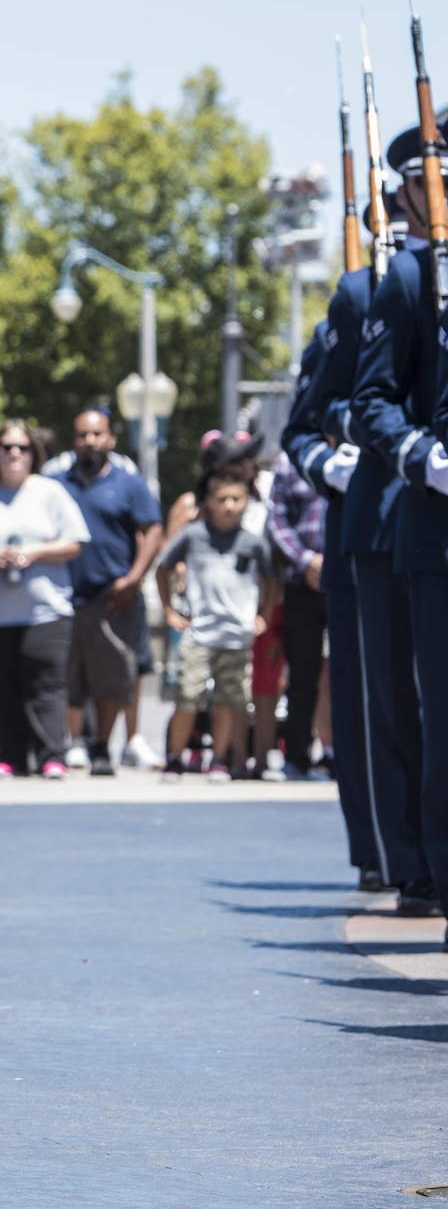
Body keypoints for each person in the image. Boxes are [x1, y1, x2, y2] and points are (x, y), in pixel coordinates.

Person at [354, 133, 448, 916]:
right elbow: (369, 402)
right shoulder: (411, 278)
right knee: (433, 721)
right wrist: (426, 457)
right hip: (436, 528)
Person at [281, 308, 383, 889]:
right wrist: (334, 462)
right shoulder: (354, 308)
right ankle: (388, 850)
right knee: (370, 702)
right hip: (364, 537)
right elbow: (303, 427)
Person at [0, 421, 88, 780]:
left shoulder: (49, 492)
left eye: (22, 447)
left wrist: (34, 553)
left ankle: (53, 754)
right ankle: (11, 756)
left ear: (33, 453)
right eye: (6, 447)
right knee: (2, 686)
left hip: (46, 610)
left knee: (48, 685)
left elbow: (75, 542)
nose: (14, 453)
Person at [57, 407, 163, 776]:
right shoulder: (56, 483)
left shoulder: (130, 484)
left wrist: (134, 578)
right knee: (67, 677)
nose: (90, 442)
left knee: (111, 678)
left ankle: (103, 746)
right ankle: (72, 745)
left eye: (97, 434)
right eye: (83, 435)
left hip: (113, 599)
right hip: (65, 597)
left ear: (111, 440)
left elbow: (153, 531)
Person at [158, 469, 278, 783]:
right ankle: (174, 758)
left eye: (236, 499)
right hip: (199, 633)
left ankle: (218, 759)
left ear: (247, 502)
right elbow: (164, 567)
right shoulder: (192, 535)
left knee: (229, 700)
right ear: (208, 502)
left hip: (237, 636)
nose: (228, 506)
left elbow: (272, 580)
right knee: (188, 696)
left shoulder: (253, 543)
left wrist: (262, 614)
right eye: (221, 499)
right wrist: (169, 611)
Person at [267, 445, 328, 781]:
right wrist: (307, 561)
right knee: (301, 676)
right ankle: (298, 757)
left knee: (351, 676)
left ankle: (341, 756)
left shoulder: (361, 449)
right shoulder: (290, 460)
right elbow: (277, 518)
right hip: (301, 583)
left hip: (350, 582)